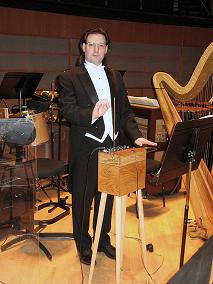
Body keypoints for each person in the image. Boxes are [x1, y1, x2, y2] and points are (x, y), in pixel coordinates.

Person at [56, 27, 157, 265]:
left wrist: (135, 136)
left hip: (113, 147)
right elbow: (67, 110)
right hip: (86, 149)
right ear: (83, 47)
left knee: (107, 197)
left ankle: (102, 240)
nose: (96, 49)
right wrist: (91, 113)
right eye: (91, 44)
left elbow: (124, 112)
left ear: (107, 49)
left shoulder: (115, 77)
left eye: (101, 45)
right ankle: (83, 245)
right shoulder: (69, 77)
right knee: (83, 200)